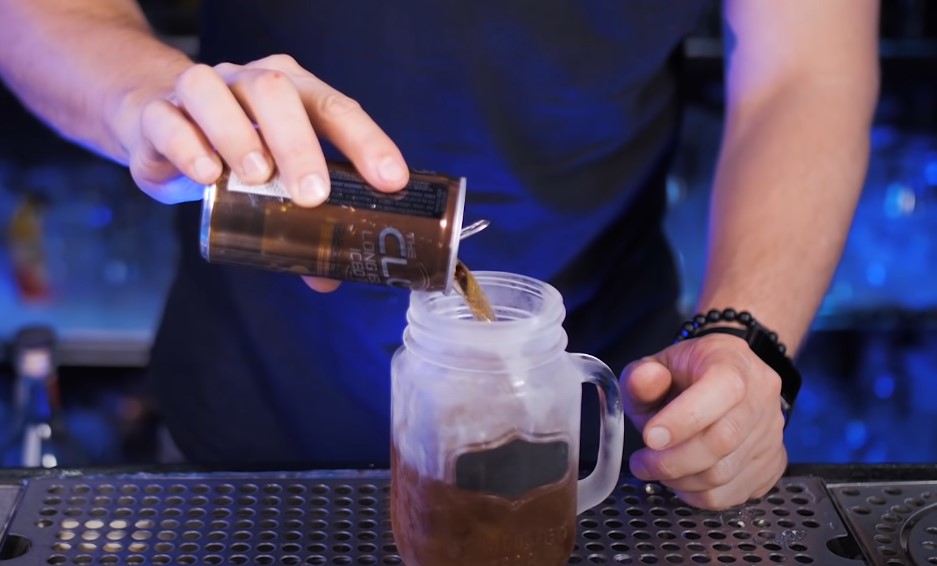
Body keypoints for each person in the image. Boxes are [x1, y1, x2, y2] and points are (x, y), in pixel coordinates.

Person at [0, 0, 879, 510]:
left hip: (607, 427)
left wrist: (743, 335)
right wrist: (152, 104)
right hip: (250, 437)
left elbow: (804, 68)